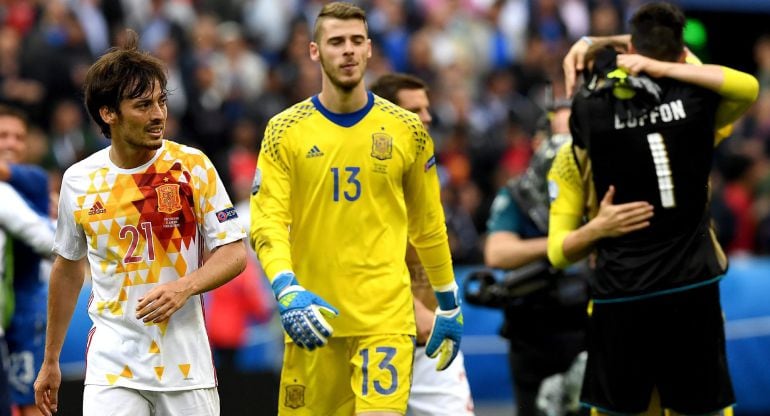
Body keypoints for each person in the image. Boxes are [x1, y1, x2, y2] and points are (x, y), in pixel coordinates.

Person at [250, 3, 463, 415]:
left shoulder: (407, 130)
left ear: (369, 49)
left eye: (355, 41)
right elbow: (268, 222)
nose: (347, 50)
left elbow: (428, 224)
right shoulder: (283, 131)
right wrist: (285, 286)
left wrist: (448, 301)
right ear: (315, 52)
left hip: (385, 320)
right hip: (313, 319)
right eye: (335, 42)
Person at [547, 3, 759, 414]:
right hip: (689, 286)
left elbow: (558, 254)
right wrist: (593, 231)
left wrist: (597, 44)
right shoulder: (697, 106)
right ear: (679, 57)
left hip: (622, 294)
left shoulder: (589, 121)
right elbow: (743, 85)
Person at [32, 29, 247, 416]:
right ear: (108, 113)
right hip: (113, 365)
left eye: (161, 101)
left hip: (184, 367)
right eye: (143, 105)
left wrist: (185, 287)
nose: (159, 114)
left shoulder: (192, 167)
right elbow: (67, 267)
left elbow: (234, 251)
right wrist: (51, 360)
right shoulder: (79, 181)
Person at [369, 73, 475, 416]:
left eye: (427, 108)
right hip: (377, 340)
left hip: (430, 340)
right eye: (416, 109)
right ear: (388, 115)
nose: (428, 117)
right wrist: (416, 311)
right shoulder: (368, 182)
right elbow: (364, 259)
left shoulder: (427, 170)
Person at [482, 101, 587, 416]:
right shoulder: (519, 194)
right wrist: (568, 244)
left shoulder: (599, 187)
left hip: (590, 326)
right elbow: (497, 252)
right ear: (539, 142)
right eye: (561, 135)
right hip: (535, 331)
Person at [0, 104, 52, 416]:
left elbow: (47, 240)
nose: (11, 144)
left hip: (25, 307)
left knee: (31, 400)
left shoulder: (31, 178)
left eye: (19, 137)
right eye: (3, 135)